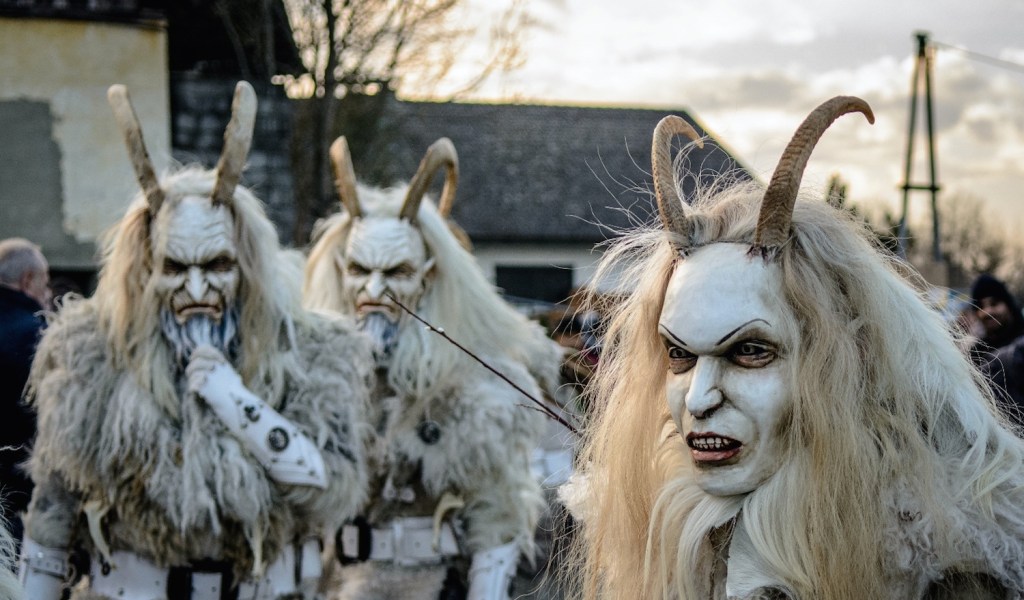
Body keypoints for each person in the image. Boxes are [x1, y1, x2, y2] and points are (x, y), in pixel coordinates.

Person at [567, 97, 1024, 598]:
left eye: (750, 352)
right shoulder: (654, 534)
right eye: (679, 355)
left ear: (848, 358)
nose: (697, 400)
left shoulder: (937, 555)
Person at [18, 82, 372, 600]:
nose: (198, 290)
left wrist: (235, 399)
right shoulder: (89, 357)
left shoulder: (312, 353)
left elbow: (327, 489)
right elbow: (52, 516)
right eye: (176, 269)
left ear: (246, 267)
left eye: (217, 266)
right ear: (146, 269)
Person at [305, 137, 563, 599]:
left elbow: (499, 507)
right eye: (361, 270)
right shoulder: (319, 374)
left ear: (426, 276)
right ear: (342, 269)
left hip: (433, 580)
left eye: (396, 273)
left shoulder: (472, 380)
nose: (375, 289)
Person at [0, 238, 50, 547]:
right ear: (28, 280)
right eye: (46, 285)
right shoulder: (39, 335)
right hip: (22, 512)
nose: (48, 296)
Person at [967, 273, 1024, 364]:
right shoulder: (977, 353)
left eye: (994, 303)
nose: (988, 311)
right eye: (981, 306)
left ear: (1008, 306)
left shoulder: (1021, 344)